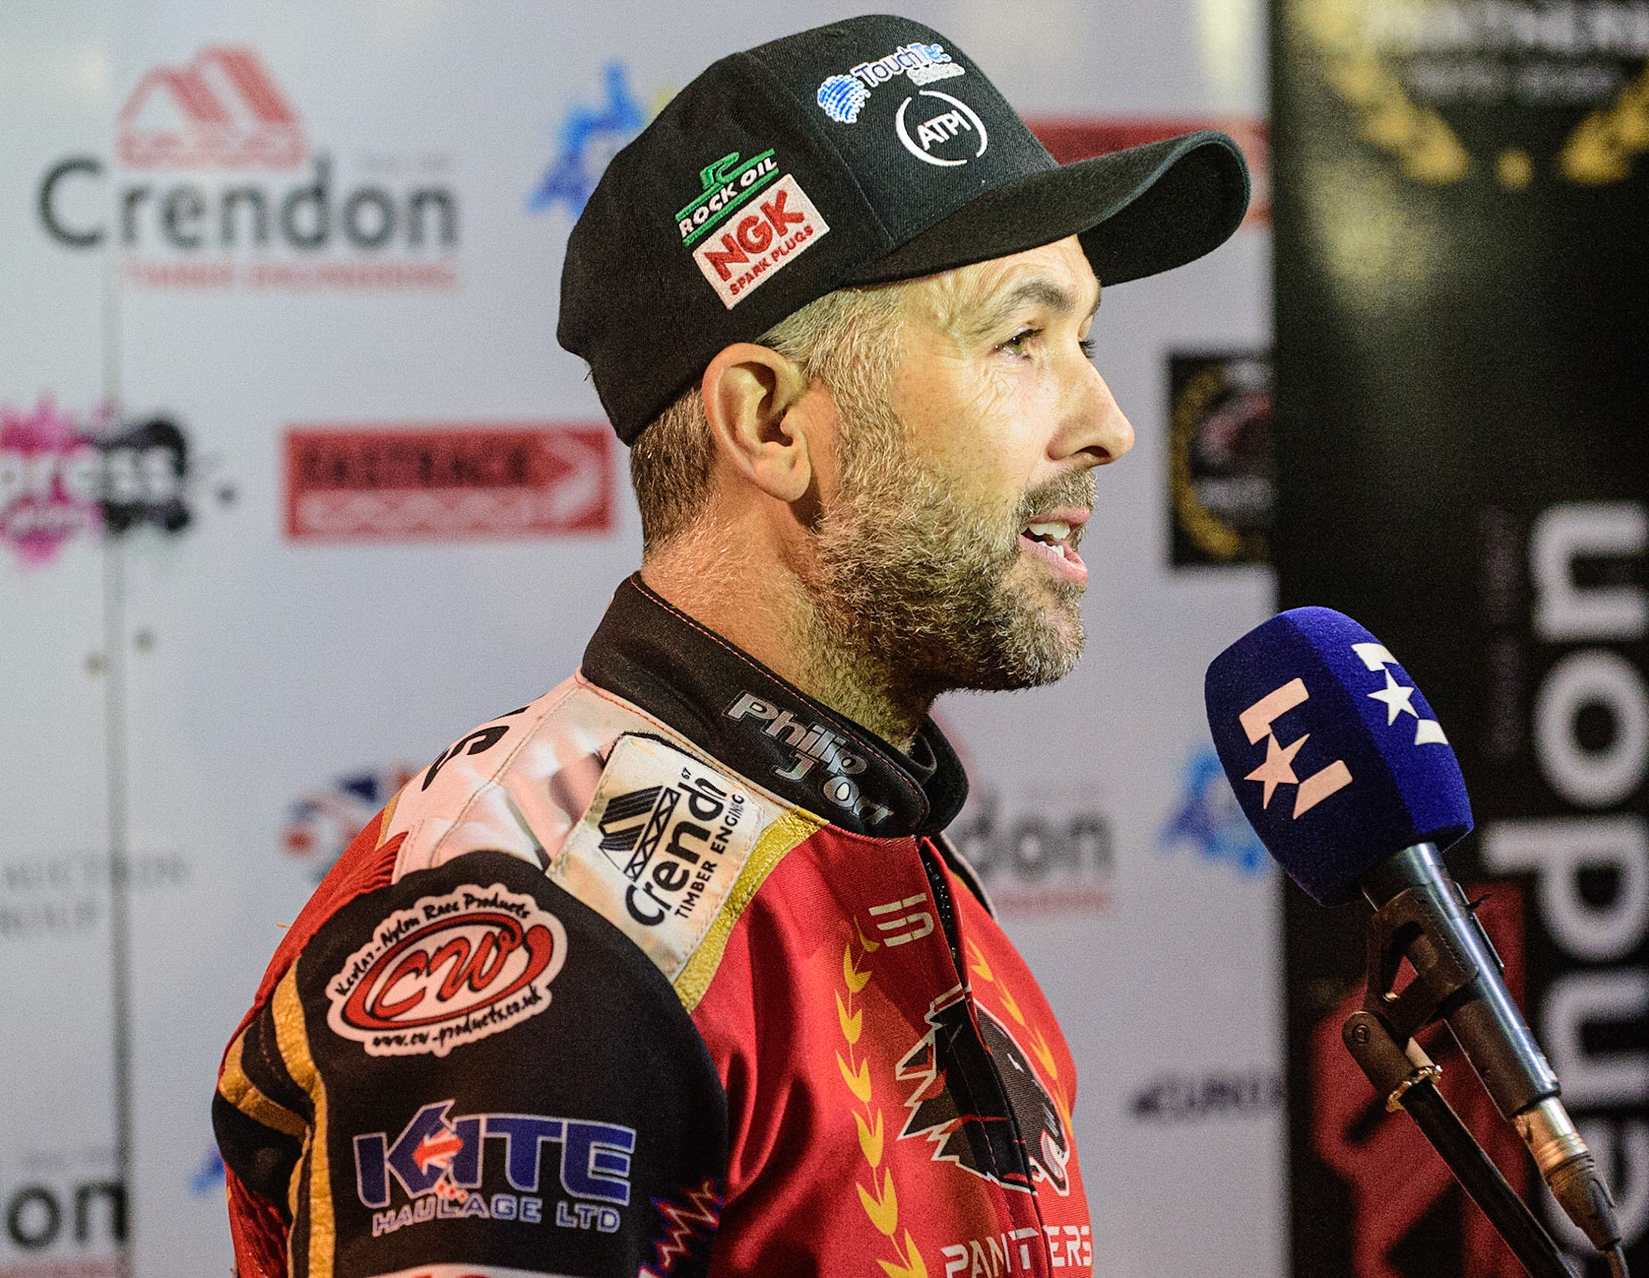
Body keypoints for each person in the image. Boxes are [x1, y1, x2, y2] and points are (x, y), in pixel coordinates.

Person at [212, 15, 1248, 1278]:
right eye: (1021, 340)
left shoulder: (861, 837)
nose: (1110, 423)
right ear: (769, 422)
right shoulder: (557, 939)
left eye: (1088, 339)